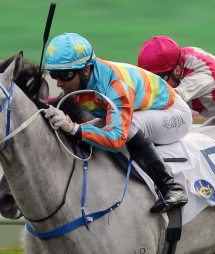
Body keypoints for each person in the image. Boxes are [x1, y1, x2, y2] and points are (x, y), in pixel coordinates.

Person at [43, 32, 192, 213]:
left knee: (128, 127)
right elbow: (58, 105)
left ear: (86, 70)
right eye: (54, 74)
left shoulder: (115, 85)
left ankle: (171, 187)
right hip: (145, 110)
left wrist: (74, 128)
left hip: (173, 114)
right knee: (85, 129)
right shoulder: (78, 81)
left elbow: (116, 139)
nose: (59, 83)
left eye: (65, 75)